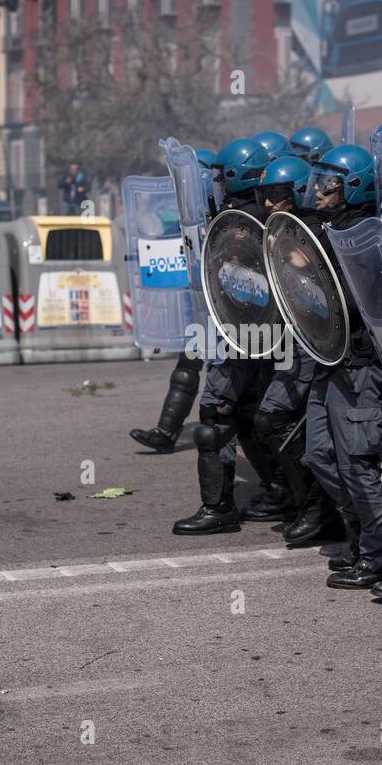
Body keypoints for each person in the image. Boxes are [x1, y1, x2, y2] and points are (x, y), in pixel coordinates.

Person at [297, 145, 382, 587]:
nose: (318, 191)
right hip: (328, 358)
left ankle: (381, 554)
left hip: (358, 363)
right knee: (318, 453)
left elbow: (360, 303)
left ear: (352, 187)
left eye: (328, 184)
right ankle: (363, 536)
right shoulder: (330, 229)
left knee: (358, 463)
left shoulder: (365, 238)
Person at [173, 137, 277, 535]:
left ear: (235, 176)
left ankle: (218, 509)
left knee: (214, 417)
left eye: (221, 175)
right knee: (251, 416)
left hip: (237, 335)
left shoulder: (237, 224)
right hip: (261, 337)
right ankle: (282, 493)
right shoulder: (265, 218)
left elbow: (231, 280)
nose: (216, 181)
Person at [250, 155, 341, 544]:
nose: (270, 203)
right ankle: (303, 500)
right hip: (293, 342)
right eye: (264, 195)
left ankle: (320, 509)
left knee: (282, 422)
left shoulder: (315, 230)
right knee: (269, 421)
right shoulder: (274, 229)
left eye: (278, 195)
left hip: (323, 344)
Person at [129, 151, 215, 455]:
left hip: (232, 313)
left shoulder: (228, 211)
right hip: (201, 307)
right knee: (186, 368)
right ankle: (166, 432)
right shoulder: (185, 214)